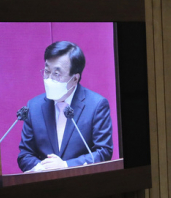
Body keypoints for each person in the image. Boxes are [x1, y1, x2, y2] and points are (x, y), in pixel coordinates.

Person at [17, 41, 114, 172]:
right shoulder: (33, 106)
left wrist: (65, 165)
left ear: (75, 79)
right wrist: (43, 168)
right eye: (47, 71)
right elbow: (25, 155)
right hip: (46, 181)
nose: (49, 79)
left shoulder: (96, 105)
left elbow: (103, 151)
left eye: (57, 74)